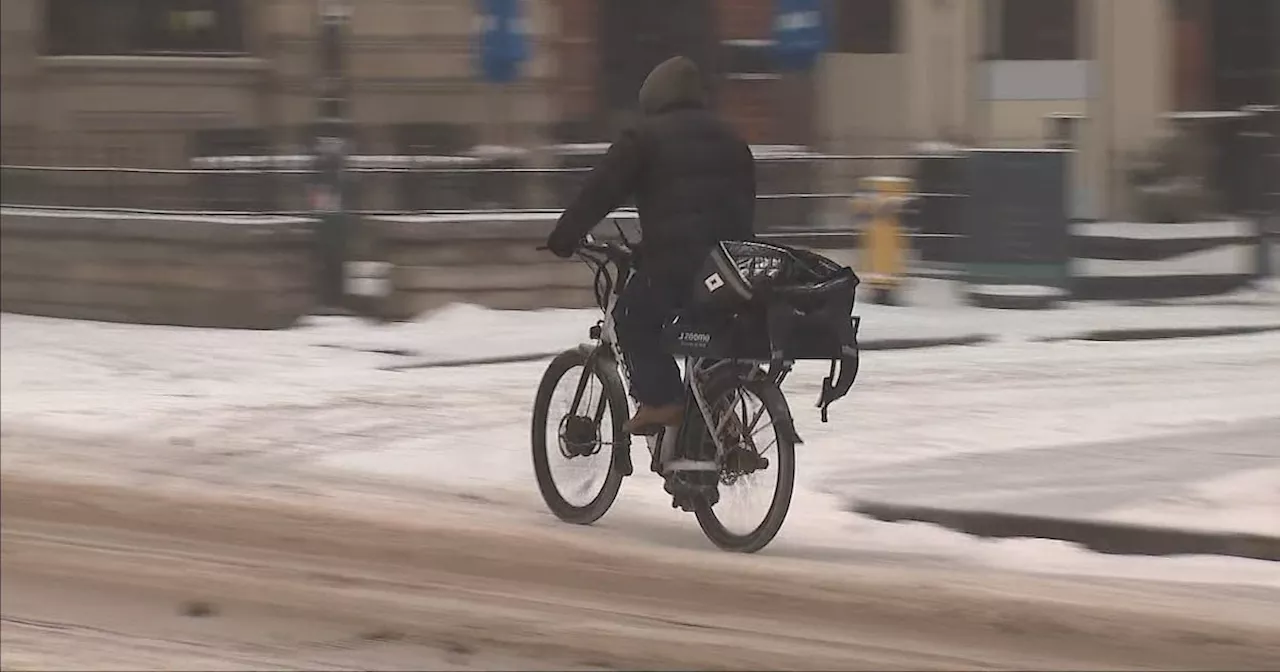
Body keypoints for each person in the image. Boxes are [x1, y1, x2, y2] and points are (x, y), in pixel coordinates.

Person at [545, 55, 757, 435]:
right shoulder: (733, 139)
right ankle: (716, 432)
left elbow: (601, 190)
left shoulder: (645, 137)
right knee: (705, 334)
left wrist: (565, 235)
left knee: (632, 319)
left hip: (679, 265)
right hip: (732, 267)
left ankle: (662, 402)